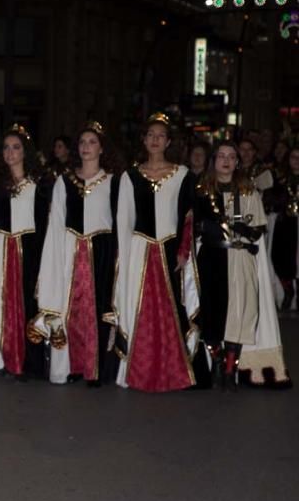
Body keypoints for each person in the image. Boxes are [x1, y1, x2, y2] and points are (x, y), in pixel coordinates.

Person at [113, 112, 204, 392]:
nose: (155, 140)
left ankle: (172, 371)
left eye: (160, 135)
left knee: (171, 310)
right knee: (139, 308)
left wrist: (183, 250)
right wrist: (124, 257)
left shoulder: (182, 176)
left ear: (168, 142)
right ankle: (136, 371)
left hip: (168, 247)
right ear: (143, 140)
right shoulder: (130, 176)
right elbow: (124, 219)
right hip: (139, 249)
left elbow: (188, 217)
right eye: (150, 135)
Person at [194, 141, 291, 389]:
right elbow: (192, 225)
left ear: (237, 162)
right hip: (212, 258)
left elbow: (258, 230)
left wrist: (244, 229)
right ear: (213, 160)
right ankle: (215, 359)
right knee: (211, 312)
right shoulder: (202, 191)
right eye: (221, 156)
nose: (226, 161)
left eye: (231, 156)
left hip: (239, 259)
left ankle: (229, 369)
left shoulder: (248, 191)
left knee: (239, 314)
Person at [34, 121, 122, 386]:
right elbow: (57, 219)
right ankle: (72, 365)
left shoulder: (113, 181)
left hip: (101, 252)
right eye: (82, 142)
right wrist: (57, 254)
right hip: (71, 250)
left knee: (97, 308)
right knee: (71, 307)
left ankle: (95, 368)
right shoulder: (65, 181)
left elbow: (119, 220)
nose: (86, 147)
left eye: (92, 142)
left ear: (102, 148)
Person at [0, 124, 51, 380]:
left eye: (16, 147)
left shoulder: (40, 184)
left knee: (28, 303)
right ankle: (0, 358)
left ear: (25, 151)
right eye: (6, 148)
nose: (11, 152)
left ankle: (29, 362)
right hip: (1, 250)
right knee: (0, 303)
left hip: (30, 252)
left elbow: (47, 224)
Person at [270, 146, 299, 310]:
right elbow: (272, 199)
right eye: (294, 157)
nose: (296, 161)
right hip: (285, 224)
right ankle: (288, 291)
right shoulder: (281, 179)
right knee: (280, 259)